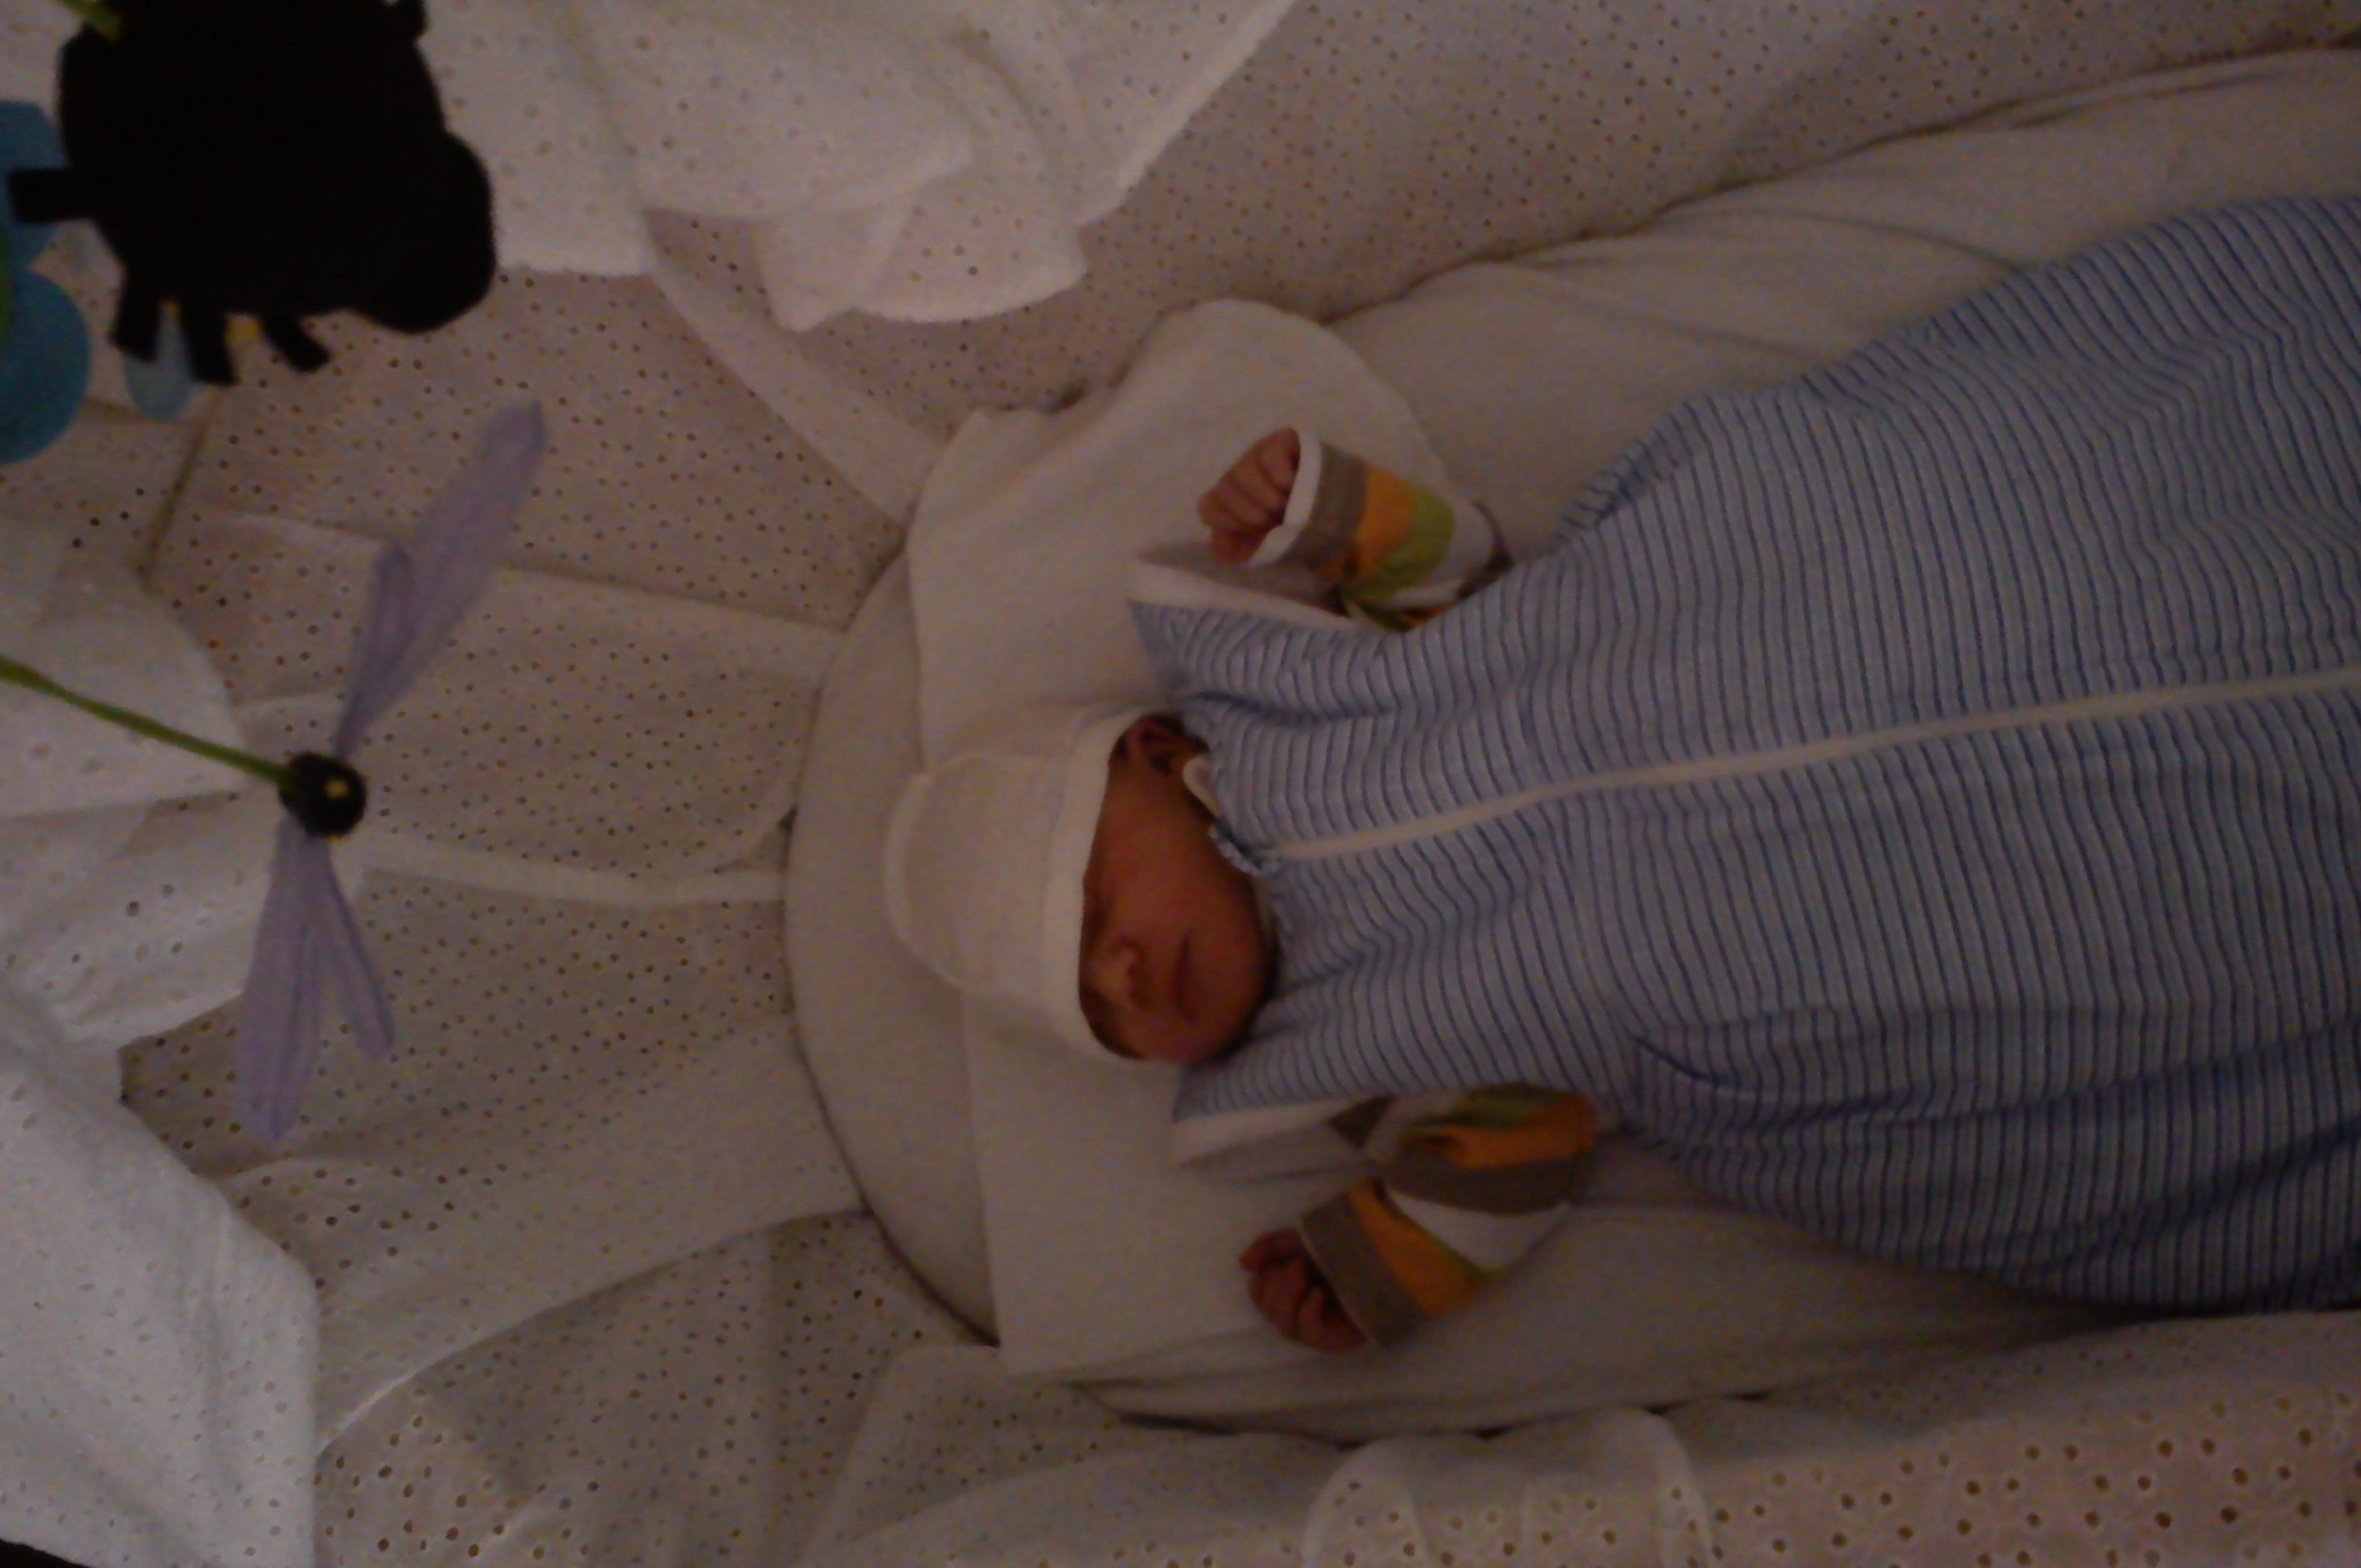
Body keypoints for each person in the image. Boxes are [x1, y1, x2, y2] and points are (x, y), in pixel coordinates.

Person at [884, 195, 2361, 1355]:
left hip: (1753, 629)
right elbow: (1524, 1147)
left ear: (1155, 757)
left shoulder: (1306, 699)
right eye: (1096, 1008)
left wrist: (1316, 512)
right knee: (2162, 944)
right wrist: (1384, 1263)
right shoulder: (1363, 1045)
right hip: (1879, 938)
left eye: (1094, 906)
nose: (1125, 971)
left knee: (2064, 541)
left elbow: (1457, 574)